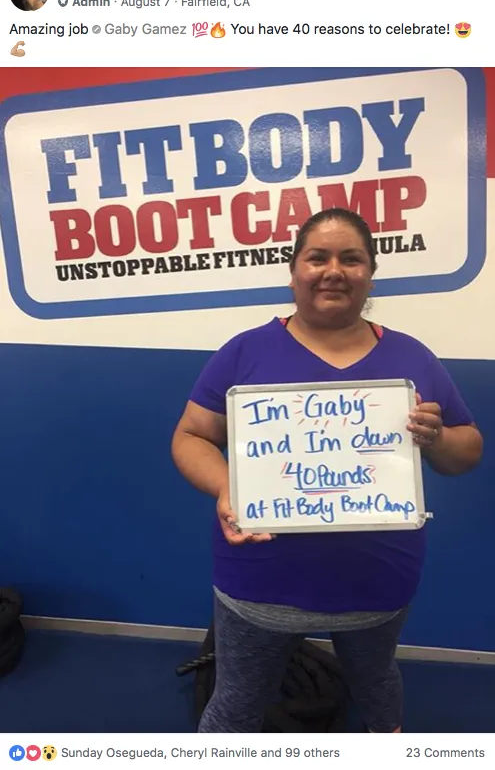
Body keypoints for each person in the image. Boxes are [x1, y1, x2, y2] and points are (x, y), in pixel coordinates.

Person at [171, 207, 483, 733]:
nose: (333, 270)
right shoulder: (244, 352)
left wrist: (437, 438)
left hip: (377, 585)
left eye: (351, 259)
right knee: (237, 704)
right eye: (317, 257)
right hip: (259, 583)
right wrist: (228, 487)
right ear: (294, 270)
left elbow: (467, 450)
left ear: (370, 275)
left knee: (377, 685)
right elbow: (190, 436)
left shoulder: (413, 358)